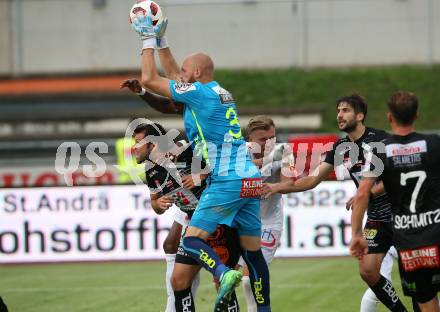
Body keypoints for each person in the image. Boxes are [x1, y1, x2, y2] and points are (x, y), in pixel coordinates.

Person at [130, 16, 271, 311]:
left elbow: (150, 79)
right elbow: (175, 76)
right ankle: (264, 309)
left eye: (185, 70)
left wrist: (146, 39)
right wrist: (162, 40)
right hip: (250, 180)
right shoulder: (220, 92)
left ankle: (223, 272)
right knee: (254, 255)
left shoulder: (198, 93)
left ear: (195, 72)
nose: (179, 74)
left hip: (227, 178)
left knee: (192, 240)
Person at [262, 94, 407, 312]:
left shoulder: (378, 140)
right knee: (367, 271)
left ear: (360, 116)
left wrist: (366, 193)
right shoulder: (340, 148)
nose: (340, 115)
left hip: (401, 213)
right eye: (338, 110)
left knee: (415, 275)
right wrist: (276, 187)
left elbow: (396, 177)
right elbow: (312, 179)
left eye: (345, 110)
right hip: (376, 217)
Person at [131, 122, 241, 311]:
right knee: (179, 280)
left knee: (220, 282)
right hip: (193, 223)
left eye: (138, 142)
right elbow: (155, 204)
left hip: (217, 220)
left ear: (154, 143)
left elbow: (222, 166)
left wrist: (200, 176)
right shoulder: (151, 171)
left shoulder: (185, 150)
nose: (134, 147)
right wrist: (159, 204)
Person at [350, 91, 440, 312]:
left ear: (390, 117)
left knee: (424, 297)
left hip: (409, 236)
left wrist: (356, 235)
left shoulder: (382, 151)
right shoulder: (433, 143)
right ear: (416, 115)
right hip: (435, 229)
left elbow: (362, 193)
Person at [241, 116, 293, 311]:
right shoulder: (238, 152)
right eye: (263, 140)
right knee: (227, 280)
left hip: (269, 222)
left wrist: (275, 186)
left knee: (249, 280)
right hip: (241, 220)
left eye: (272, 137)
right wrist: (266, 160)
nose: (269, 143)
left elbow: (290, 183)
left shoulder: (285, 151)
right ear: (250, 138)